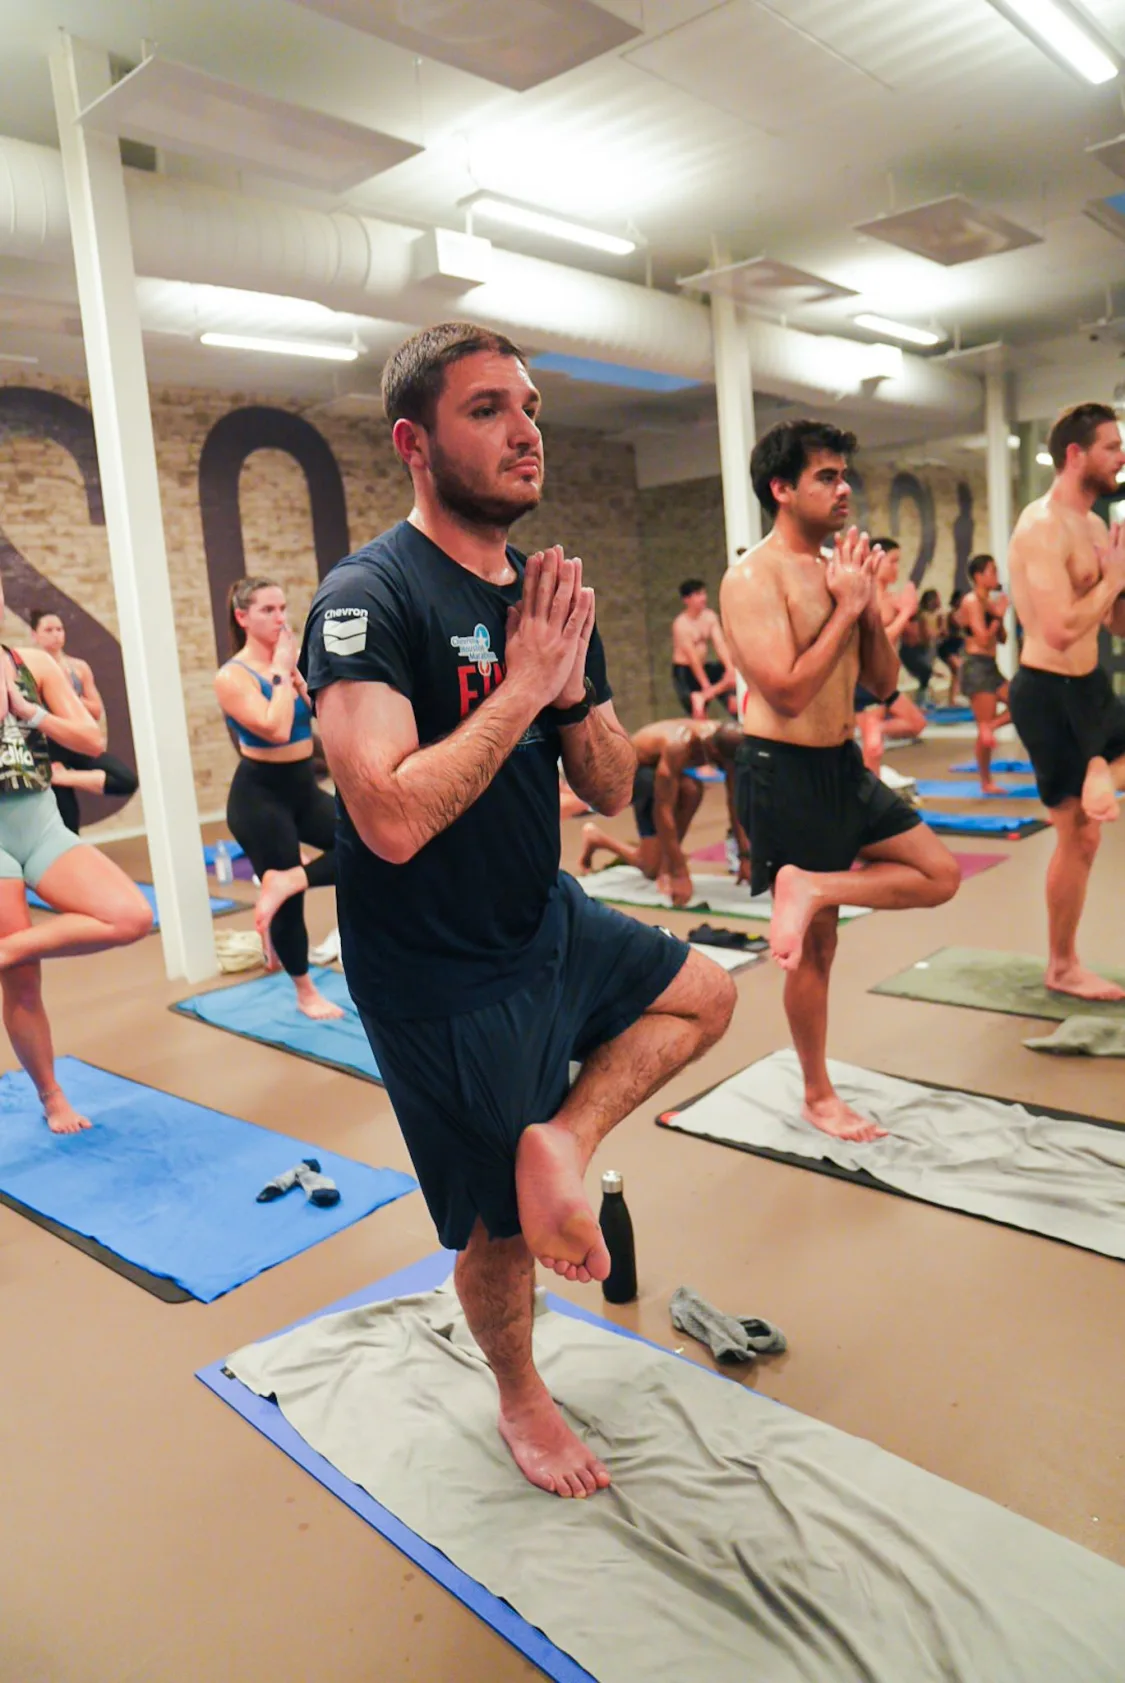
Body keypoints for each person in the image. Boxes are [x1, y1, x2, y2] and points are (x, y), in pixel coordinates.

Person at [301, 321, 736, 1499]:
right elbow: (387, 818)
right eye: (488, 407)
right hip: (438, 975)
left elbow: (604, 784)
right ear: (415, 441)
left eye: (530, 405)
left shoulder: (533, 591)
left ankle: (569, 1138)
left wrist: (572, 681)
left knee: (706, 995)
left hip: (542, 919)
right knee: (498, 1234)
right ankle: (522, 1395)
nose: (526, 428)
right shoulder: (365, 596)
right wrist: (523, 688)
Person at [720, 419, 959, 1141]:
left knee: (938, 872)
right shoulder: (751, 577)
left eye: (844, 473)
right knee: (817, 950)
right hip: (781, 768)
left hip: (843, 763)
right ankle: (817, 1093)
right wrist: (848, 606)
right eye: (826, 475)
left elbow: (883, 683)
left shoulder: (839, 570)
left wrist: (866, 608)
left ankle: (815, 884)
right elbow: (787, 692)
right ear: (781, 488)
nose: (844, 486)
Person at [0, 578, 153, 1133]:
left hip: (39, 821)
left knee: (131, 915)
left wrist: (28, 711)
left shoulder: (33, 662)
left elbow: (90, 740)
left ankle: (7, 948)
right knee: (22, 979)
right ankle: (51, 1095)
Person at [1007, 401, 1125, 1001]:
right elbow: (1056, 631)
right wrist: (1113, 579)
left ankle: (1101, 763)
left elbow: (1114, 625)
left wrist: (1121, 584)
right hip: (1048, 690)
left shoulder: (1099, 527)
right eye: (1111, 446)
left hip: (1091, 683)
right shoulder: (1040, 526)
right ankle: (1062, 965)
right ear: (1076, 454)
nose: (1121, 456)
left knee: (1088, 830)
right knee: (1079, 836)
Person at [214, 578, 341, 1021]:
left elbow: (321, 714)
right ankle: (305, 992)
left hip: (303, 790)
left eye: (283, 607)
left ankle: (289, 878)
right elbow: (275, 728)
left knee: (368, 844)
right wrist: (280, 671)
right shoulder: (232, 675)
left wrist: (303, 680)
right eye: (267, 609)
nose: (280, 618)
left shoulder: (287, 665)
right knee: (290, 906)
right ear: (242, 617)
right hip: (259, 798)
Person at [577, 718, 749, 903]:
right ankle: (597, 838)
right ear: (714, 751)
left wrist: (745, 856)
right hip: (635, 773)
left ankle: (666, 864)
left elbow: (735, 803)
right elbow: (663, 810)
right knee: (650, 867)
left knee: (692, 790)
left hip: (662, 771)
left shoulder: (726, 741)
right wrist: (680, 872)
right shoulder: (679, 746)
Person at [27, 608, 139, 833]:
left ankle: (63, 777)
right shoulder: (31, 668)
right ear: (34, 635)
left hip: (76, 742)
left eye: (59, 629)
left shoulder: (79, 668)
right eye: (49, 630)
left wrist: (66, 694)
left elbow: (96, 710)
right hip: (49, 747)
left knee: (125, 779)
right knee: (68, 820)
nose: (56, 634)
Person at [854, 540, 927, 777]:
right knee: (873, 749)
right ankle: (869, 803)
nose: (896, 568)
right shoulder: (867, 596)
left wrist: (911, 612)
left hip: (886, 680)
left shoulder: (891, 598)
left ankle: (864, 730)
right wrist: (905, 613)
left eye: (898, 562)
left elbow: (913, 640)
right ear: (876, 560)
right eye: (892, 561)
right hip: (867, 679)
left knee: (916, 723)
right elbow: (877, 641)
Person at [957, 555, 1011, 793]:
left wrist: (999, 614)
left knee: (1021, 701)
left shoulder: (988, 602)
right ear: (979, 576)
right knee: (984, 731)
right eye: (992, 571)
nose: (996, 576)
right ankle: (986, 782)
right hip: (976, 666)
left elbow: (1003, 638)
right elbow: (982, 638)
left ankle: (989, 726)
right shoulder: (971, 601)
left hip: (991, 666)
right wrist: (998, 615)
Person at [671, 578, 738, 718]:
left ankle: (707, 696)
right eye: (698, 595)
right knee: (699, 715)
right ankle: (701, 697)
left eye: (703, 594)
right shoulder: (681, 624)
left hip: (703, 666)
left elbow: (720, 644)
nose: (703, 598)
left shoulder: (709, 617)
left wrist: (729, 668)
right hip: (685, 672)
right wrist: (705, 684)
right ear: (687, 600)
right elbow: (692, 657)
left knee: (732, 677)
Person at [899, 588, 939, 704]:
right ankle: (922, 699)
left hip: (919, 649)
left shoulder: (920, 617)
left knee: (926, 673)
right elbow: (914, 635)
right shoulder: (909, 618)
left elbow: (924, 636)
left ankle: (923, 698)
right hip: (909, 651)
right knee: (926, 672)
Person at [937, 588, 965, 701]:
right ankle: (955, 697)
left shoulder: (960, 613)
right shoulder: (952, 614)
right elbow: (961, 625)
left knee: (956, 673)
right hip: (949, 647)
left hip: (957, 646)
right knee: (958, 669)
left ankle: (953, 699)